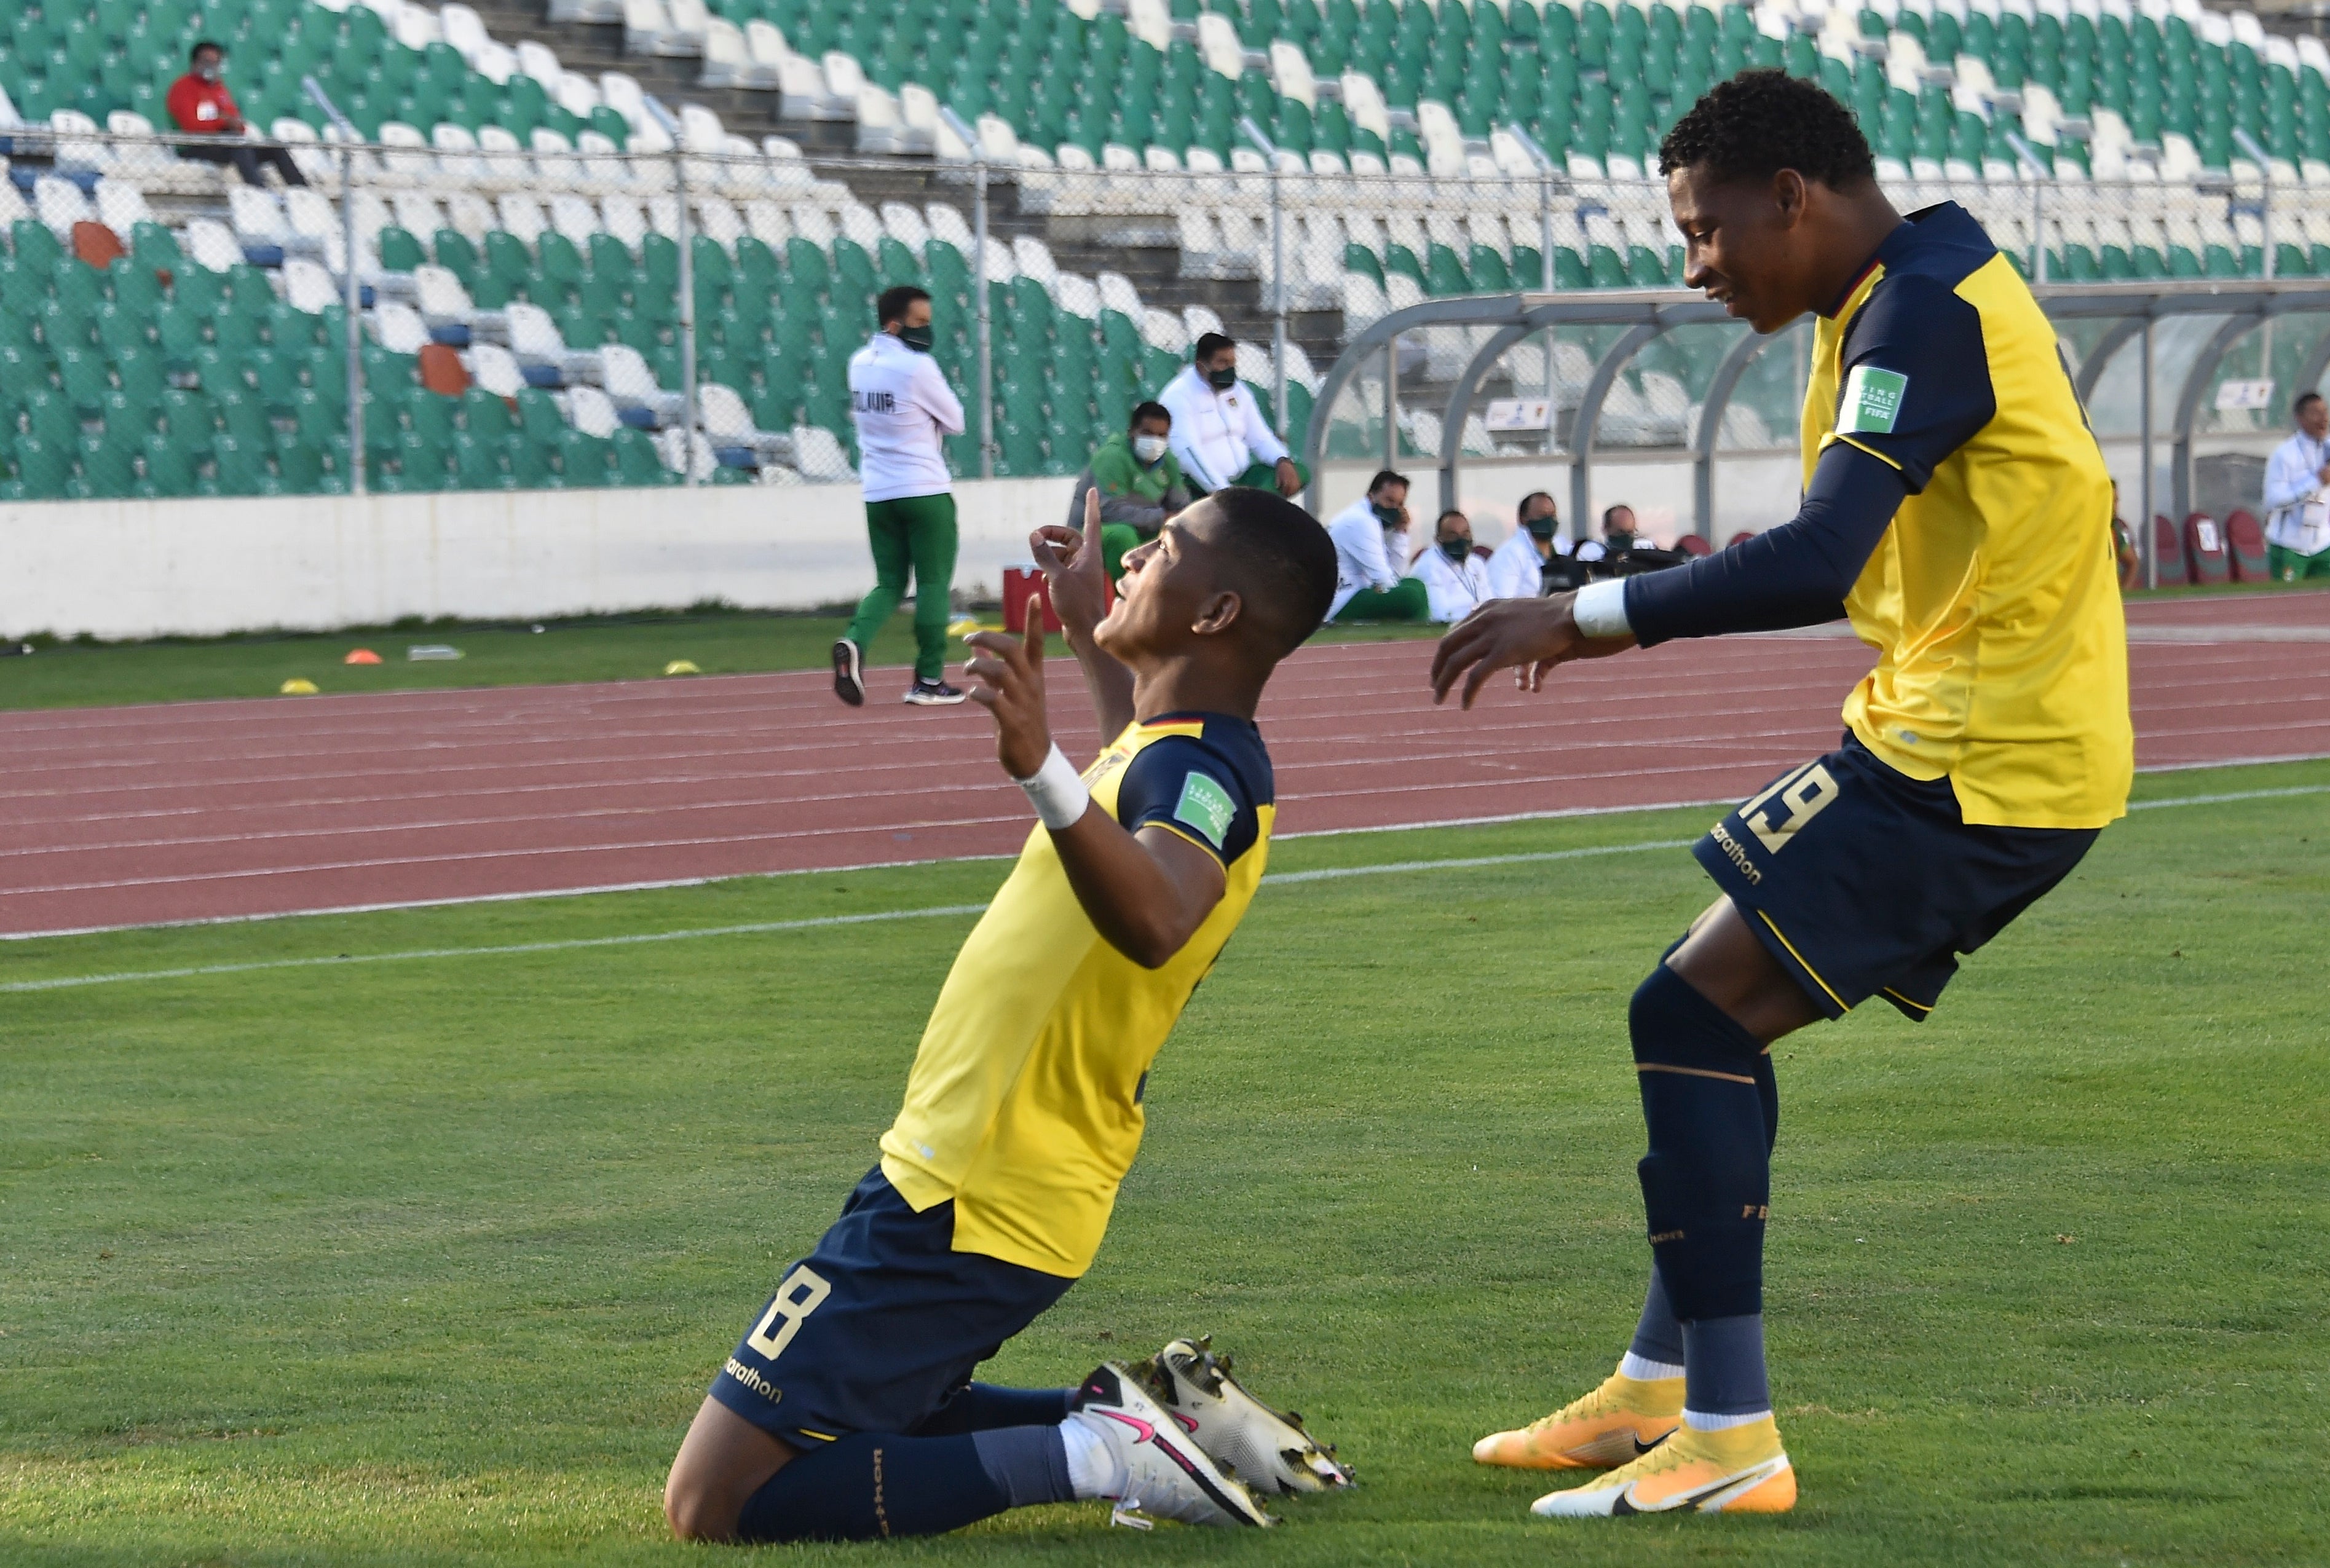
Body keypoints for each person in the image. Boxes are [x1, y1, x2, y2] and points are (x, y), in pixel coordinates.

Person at [1433, 69, 2130, 1521]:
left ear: (1791, 199)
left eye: (1702, 229)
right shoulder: (1906, 288)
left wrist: (1590, 612)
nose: (1694, 266)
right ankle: (1656, 1388)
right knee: (1705, 1011)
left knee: (1686, 1012)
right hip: (1958, 731)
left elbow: (1820, 558)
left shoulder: (1919, 309)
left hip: (1980, 753)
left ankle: (1730, 1429)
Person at [663, 488, 1353, 1543]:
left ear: (1214, 613)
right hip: (981, 1172)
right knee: (897, 1411)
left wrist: (1037, 762)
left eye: (1160, 550)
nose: (1128, 559)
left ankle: (1100, 1453)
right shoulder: (1183, 744)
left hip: (974, 1188)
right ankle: (1175, 1424)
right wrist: (1086, 632)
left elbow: (1163, 913)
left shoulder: (1200, 767)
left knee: (718, 1500)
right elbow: (1135, 759)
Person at [837, 285, 967, 707]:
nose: (927, 331)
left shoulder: (858, 364)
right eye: (920, 323)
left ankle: (854, 640)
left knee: (889, 582)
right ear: (895, 324)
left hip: (878, 490)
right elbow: (957, 420)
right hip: (924, 488)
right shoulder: (917, 366)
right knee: (932, 583)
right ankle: (928, 678)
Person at [1157, 333, 1309, 498]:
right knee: (1253, 504)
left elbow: (1260, 437)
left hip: (1243, 479)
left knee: (1299, 472)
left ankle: (1248, 507)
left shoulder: (1239, 390)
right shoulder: (1179, 395)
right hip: (1201, 487)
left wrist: (1282, 460)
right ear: (1201, 366)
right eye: (1223, 363)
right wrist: (1223, 492)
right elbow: (1188, 453)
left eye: (1232, 363)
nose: (1230, 369)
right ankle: (1249, 508)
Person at [1067, 401, 1188, 581]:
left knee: (1184, 533)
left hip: (1143, 529)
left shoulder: (1168, 461)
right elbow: (1109, 511)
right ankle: (1129, 595)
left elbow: (1182, 505)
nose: (1155, 441)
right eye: (1148, 433)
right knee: (1123, 535)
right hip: (1091, 533)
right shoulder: (1112, 457)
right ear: (1132, 431)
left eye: (1161, 435)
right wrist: (1161, 518)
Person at [165, 42, 307, 189]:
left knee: (274, 148)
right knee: (237, 144)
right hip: (195, 146)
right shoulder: (182, 88)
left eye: (216, 62)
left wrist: (231, 123)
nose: (212, 66)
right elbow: (192, 126)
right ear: (195, 62)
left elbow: (236, 121)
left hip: (224, 144)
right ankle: (260, 193)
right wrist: (222, 122)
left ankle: (304, 192)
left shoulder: (218, 88)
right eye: (207, 61)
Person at [1322, 468, 1428, 621]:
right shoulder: (1361, 521)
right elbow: (1384, 579)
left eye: (1399, 504)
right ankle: (1420, 637)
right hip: (1341, 600)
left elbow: (1397, 575)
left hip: (1361, 591)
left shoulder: (1371, 519)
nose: (1394, 509)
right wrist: (1391, 589)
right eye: (1389, 501)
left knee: (1417, 585)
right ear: (1371, 496)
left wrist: (1401, 532)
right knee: (1410, 597)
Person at [2262, 390, 2330, 581]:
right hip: (2289, 546)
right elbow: (2273, 500)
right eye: (2316, 413)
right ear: (2300, 418)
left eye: (2325, 412)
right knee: (2288, 607)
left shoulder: (2328, 448)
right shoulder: (2284, 454)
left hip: (2324, 544)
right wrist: (2316, 483)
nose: (2324, 418)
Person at [1409, 508, 1495, 623]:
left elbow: (1491, 604)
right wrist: (1476, 613)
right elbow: (1440, 615)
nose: (1461, 540)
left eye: (1466, 534)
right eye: (1453, 535)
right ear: (1438, 539)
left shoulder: (1476, 563)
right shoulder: (1429, 567)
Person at [1487, 491, 1566, 599]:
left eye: (1552, 515)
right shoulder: (1509, 554)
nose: (1548, 521)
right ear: (1523, 519)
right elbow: (1502, 603)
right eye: (1542, 515)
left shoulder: (1562, 546)